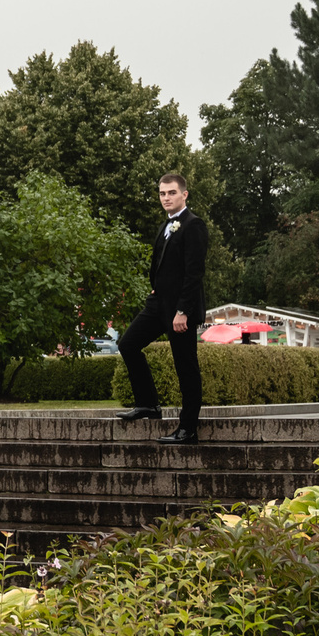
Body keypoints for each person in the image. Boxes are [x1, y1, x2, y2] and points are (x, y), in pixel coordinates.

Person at [117, 173, 208, 444]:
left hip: (181, 309)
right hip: (158, 303)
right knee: (128, 344)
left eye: (171, 193)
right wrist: (155, 289)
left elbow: (194, 273)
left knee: (185, 366)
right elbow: (161, 265)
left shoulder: (194, 225)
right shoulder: (165, 225)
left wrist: (183, 311)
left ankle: (188, 428)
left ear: (184, 195)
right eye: (162, 193)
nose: (166, 198)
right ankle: (148, 404)